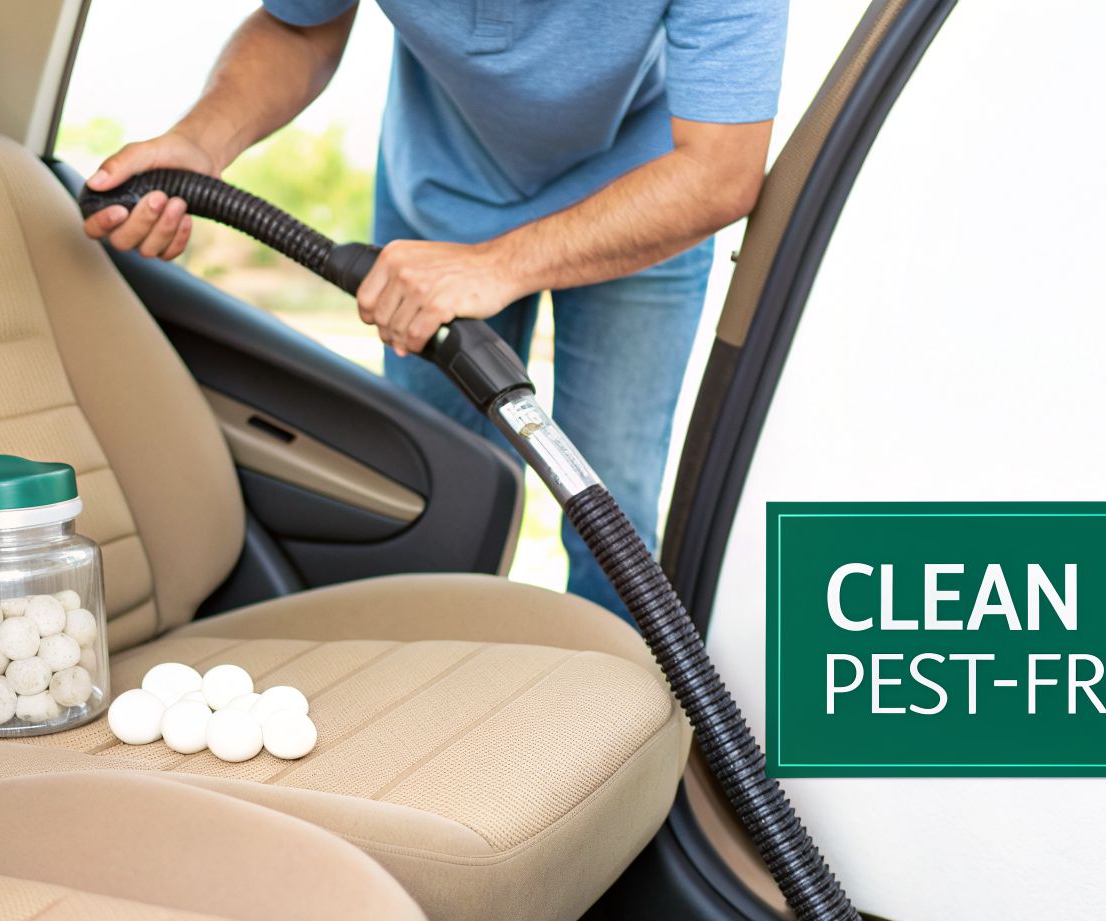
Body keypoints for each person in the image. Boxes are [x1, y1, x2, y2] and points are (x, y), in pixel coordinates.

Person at [85, 1, 787, 619]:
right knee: (443, 489)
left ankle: (624, 723)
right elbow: (303, 27)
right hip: (438, 206)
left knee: (612, 501)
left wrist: (500, 265)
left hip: (641, 210)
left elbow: (720, 172)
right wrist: (203, 141)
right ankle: (441, 708)